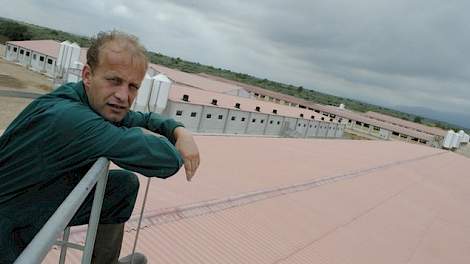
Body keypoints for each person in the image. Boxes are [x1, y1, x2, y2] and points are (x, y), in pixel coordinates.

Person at [0, 31, 200, 263]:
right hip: (8, 233)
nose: (123, 95)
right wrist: (139, 136)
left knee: (122, 186)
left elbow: (136, 118)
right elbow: (166, 160)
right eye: (114, 81)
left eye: (133, 86)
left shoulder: (83, 99)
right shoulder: (70, 119)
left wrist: (178, 129)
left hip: (32, 199)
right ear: (87, 75)